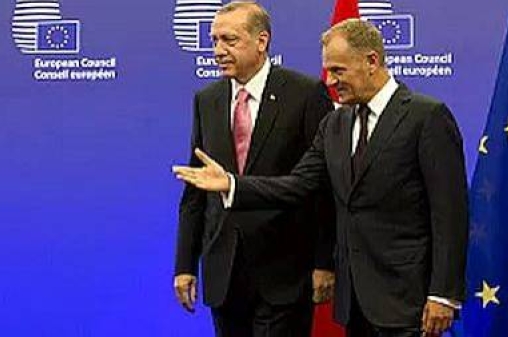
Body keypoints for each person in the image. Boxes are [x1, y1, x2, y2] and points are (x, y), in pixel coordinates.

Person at [174, 18, 469, 337]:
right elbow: (298, 184)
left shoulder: (426, 117)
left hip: (410, 300)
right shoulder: (335, 124)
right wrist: (233, 185)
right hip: (356, 303)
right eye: (328, 70)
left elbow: (450, 214)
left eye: (338, 70)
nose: (329, 80)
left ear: (372, 61)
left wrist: (443, 294)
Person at [173, 2, 336, 337]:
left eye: (229, 40)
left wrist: (324, 261)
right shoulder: (207, 99)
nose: (218, 50)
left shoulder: (304, 94)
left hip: (285, 270)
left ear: (262, 41)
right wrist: (185, 266)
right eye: (214, 40)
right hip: (224, 272)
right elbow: (196, 189)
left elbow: (323, 185)